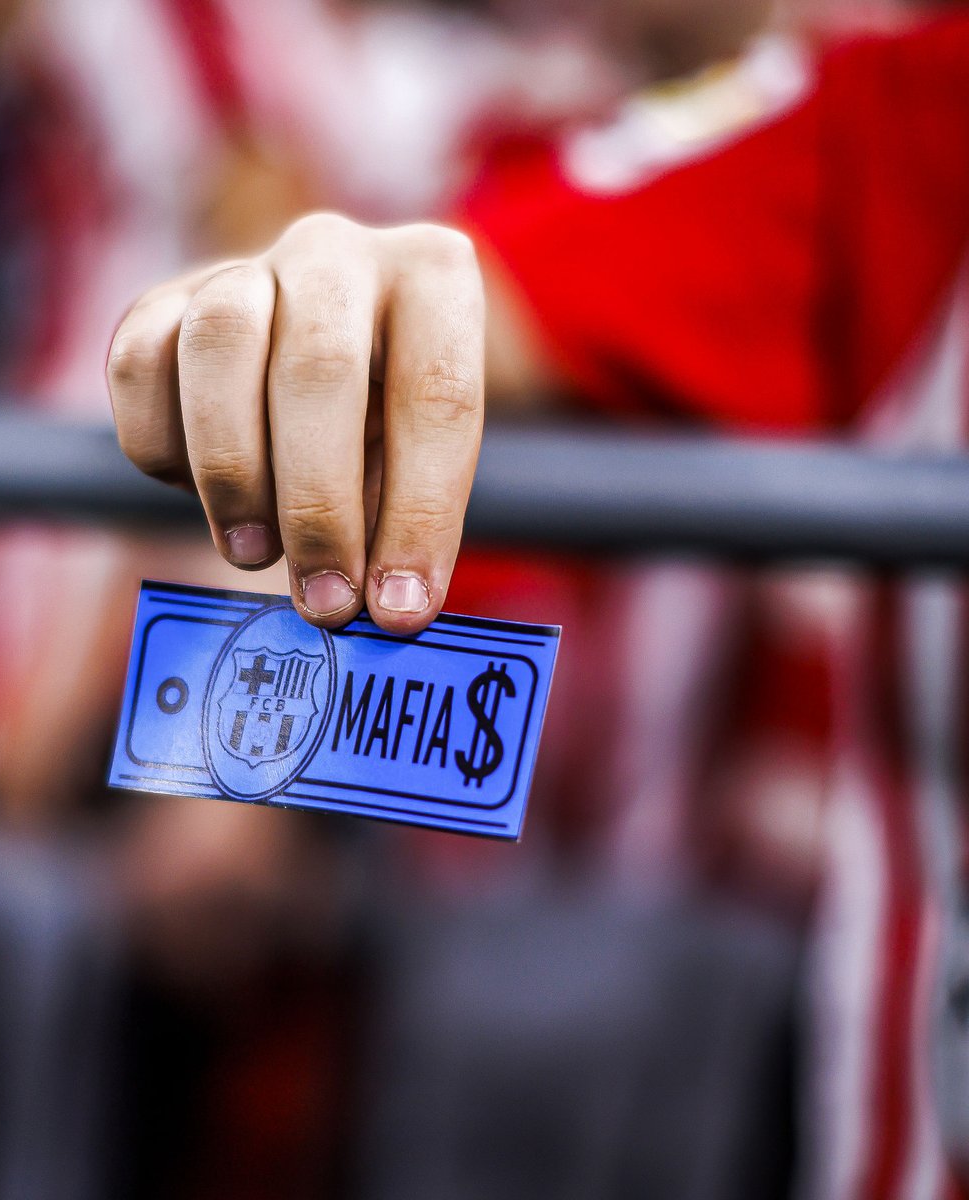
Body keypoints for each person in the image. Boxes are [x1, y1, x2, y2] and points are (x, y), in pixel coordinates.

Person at [106, 7, 969, 1198]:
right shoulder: (515, 125)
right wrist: (211, 766)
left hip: (746, 897)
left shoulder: (859, 107)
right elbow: (346, 350)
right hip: (485, 859)